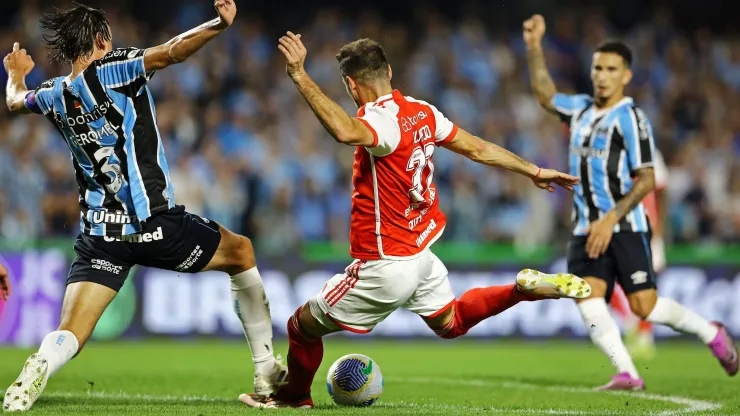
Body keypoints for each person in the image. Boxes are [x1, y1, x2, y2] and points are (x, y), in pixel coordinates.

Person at [239, 33, 589, 409]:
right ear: (388, 71)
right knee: (451, 322)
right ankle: (521, 289)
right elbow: (477, 148)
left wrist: (299, 75)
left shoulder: (379, 122)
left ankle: (294, 398)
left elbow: (343, 131)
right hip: (421, 254)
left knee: (301, 327)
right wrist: (533, 169)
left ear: (350, 84)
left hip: (385, 262)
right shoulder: (423, 111)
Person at [2, 2, 285, 412]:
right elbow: (171, 51)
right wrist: (219, 25)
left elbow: (14, 101)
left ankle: (39, 365)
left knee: (72, 331)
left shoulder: (55, 94)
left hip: (101, 235)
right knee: (240, 251)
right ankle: (265, 373)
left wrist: (15, 74)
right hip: (153, 225)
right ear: (102, 40)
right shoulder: (113, 67)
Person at [523, 14, 738, 390]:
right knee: (588, 297)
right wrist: (534, 47)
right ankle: (628, 373)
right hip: (585, 228)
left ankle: (710, 332)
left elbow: (649, 179)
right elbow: (544, 95)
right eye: (597, 68)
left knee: (645, 307)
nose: (602, 75)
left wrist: (610, 219)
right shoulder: (579, 109)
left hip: (625, 226)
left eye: (611, 69)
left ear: (626, 76)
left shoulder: (631, 118)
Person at [610, 149, 669, 360]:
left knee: (648, 283)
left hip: (647, 227)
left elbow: (661, 192)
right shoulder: (608, 150)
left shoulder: (651, 153)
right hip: (618, 227)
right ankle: (630, 322)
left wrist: (661, 225)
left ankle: (644, 336)